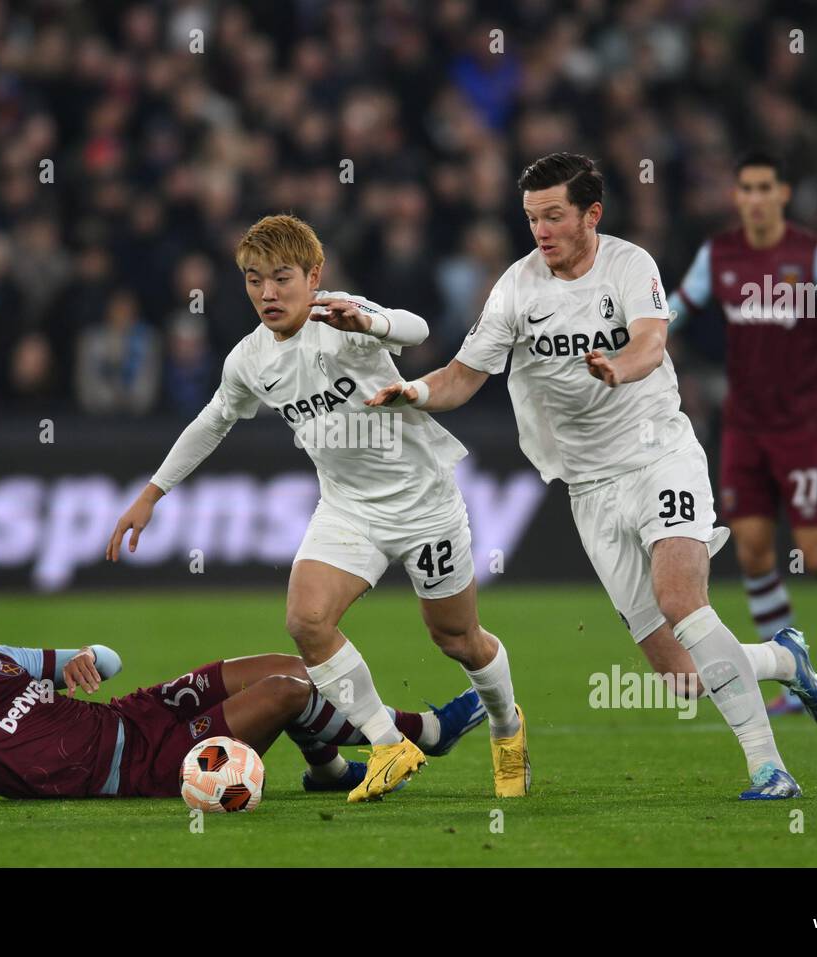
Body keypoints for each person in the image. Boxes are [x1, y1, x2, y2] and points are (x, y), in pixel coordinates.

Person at [368, 152, 817, 800]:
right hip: (588, 487)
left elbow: (651, 342)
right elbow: (461, 376)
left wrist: (619, 366)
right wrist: (412, 392)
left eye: (554, 215)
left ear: (592, 213)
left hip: (658, 456)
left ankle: (769, 768)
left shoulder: (629, 265)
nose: (541, 229)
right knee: (680, 673)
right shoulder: (515, 287)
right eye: (532, 216)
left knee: (682, 600)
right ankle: (784, 658)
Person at [106, 214, 527, 803]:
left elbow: (417, 328)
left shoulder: (342, 316)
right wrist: (152, 493)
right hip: (348, 509)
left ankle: (508, 728)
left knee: (457, 639)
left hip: (423, 504)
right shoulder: (249, 359)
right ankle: (389, 745)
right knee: (306, 621)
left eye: (281, 279)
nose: (268, 294)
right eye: (254, 280)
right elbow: (213, 421)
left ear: (313, 276)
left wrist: (372, 320)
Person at [666, 149, 817, 714]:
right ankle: (794, 674)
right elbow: (675, 310)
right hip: (745, 428)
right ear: (737, 196)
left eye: (763, 188)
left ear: (782, 194)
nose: (753, 198)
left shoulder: (813, 253)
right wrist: (630, 340)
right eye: (744, 188)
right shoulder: (719, 255)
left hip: (803, 428)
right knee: (752, 552)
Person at [0, 597, 484, 807]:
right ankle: (426, 731)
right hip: (144, 768)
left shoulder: (1, 659)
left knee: (295, 665)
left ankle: (325, 771)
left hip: (137, 715)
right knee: (291, 693)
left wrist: (87, 657)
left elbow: (107, 663)